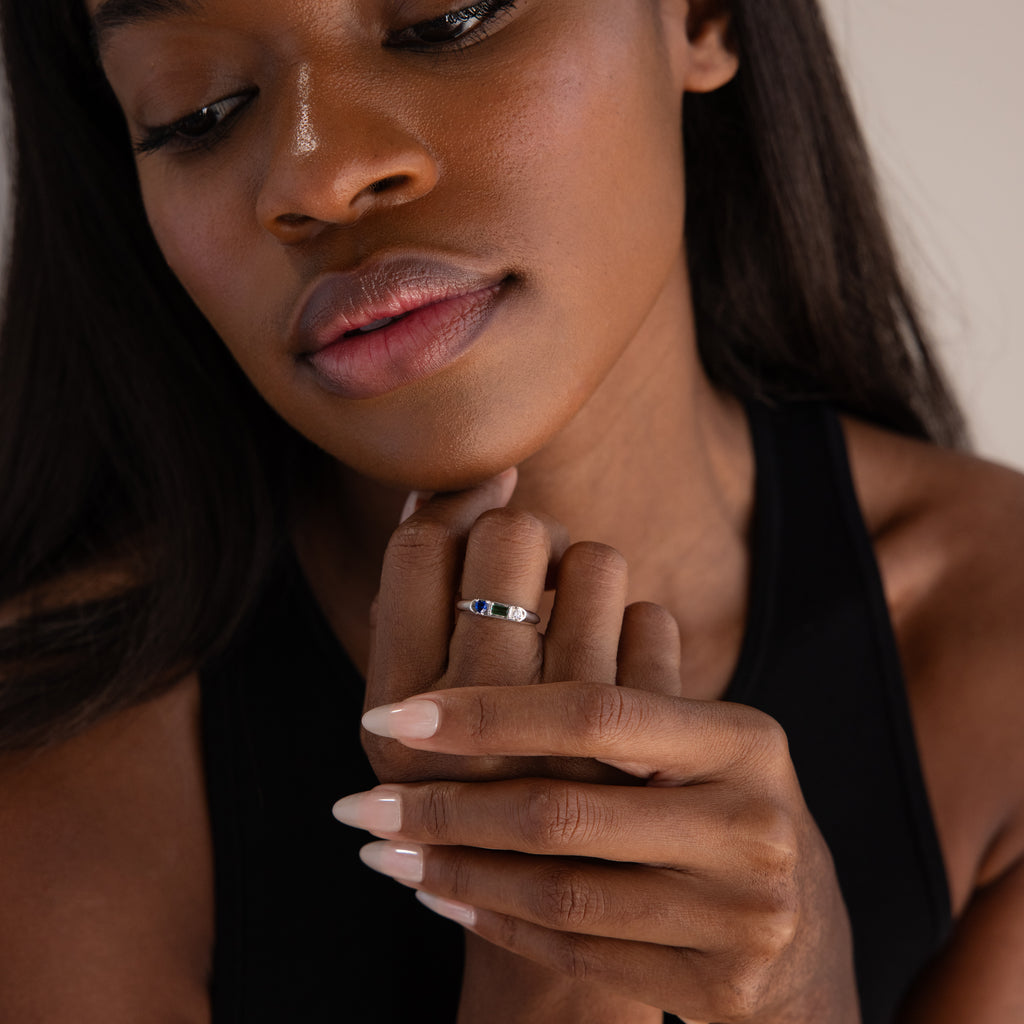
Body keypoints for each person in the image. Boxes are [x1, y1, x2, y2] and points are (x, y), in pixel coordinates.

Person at [0, 0, 1021, 1021]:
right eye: (198, 110)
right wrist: (551, 969)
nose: (316, 173)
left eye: (445, 20)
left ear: (700, 17)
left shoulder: (998, 654)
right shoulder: (52, 751)